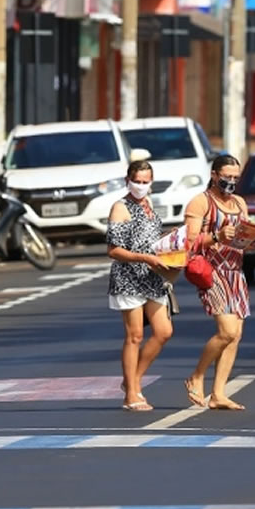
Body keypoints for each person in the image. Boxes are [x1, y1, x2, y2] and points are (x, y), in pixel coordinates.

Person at [182, 153, 255, 411]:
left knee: (235, 336)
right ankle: (196, 376)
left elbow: (242, 240)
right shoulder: (200, 203)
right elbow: (190, 242)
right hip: (211, 273)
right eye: (227, 177)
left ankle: (218, 394)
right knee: (227, 331)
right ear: (214, 175)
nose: (231, 182)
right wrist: (216, 236)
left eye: (236, 177)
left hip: (236, 272)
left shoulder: (239, 203)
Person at [106, 160, 174, 412]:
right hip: (129, 278)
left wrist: (170, 240)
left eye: (146, 182)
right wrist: (144, 258)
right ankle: (132, 394)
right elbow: (113, 250)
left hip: (153, 277)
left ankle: (131, 380)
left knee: (163, 331)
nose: (141, 186)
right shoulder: (120, 207)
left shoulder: (148, 205)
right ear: (128, 180)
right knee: (134, 335)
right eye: (137, 181)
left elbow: (150, 239)